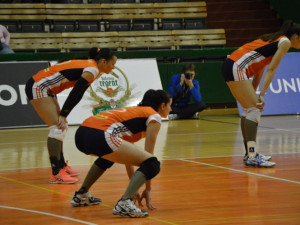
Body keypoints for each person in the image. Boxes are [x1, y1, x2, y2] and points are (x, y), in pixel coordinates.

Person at [70, 89, 172, 218]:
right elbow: (149, 154)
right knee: (152, 163)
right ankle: (124, 203)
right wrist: (147, 189)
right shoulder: (154, 117)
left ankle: (82, 194)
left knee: (109, 156)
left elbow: (126, 156)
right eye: (170, 105)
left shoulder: (134, 113)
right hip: (99, 134)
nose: (171, 109)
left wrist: (133, 189)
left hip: (81, 134)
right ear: (162, 105)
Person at [25, 47, 117, 184]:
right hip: (38, 87)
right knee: (56, 128)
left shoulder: (91, 67)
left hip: (44, 88)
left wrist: (64, 114)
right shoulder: (92, 69)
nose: (114, 67)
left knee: (61, 127)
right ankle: (56, 173)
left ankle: (62, 166)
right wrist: (63, 114)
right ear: (104, 61)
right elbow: (76, 92)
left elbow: (78, 94)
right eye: (113, 64)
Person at [221, 20, 300, 168]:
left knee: (248, 109)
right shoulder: (285, 43)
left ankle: (250, 154)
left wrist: (255, 91)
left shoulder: (273, 39)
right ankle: (252, 156)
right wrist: (262, 95)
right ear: (295, 37)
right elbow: (272, 70)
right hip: (236, 67)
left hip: (229, 65)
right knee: (254, 109)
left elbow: (261, 68)